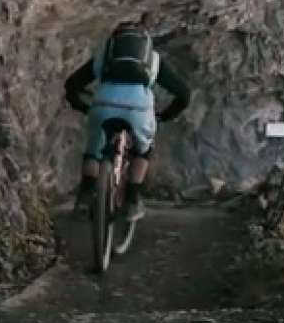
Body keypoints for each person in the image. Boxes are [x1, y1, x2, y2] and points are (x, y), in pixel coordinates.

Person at [63, 16, 192, 221]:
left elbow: (72, 84)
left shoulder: (104, 57)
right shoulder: (153, 60)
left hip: (103, 104)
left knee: (93, 151)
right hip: (138, 109)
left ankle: (85, 197)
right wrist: (166, 115)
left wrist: (82, 106)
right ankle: (133, 200)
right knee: (143, 150)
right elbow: (184, 94)